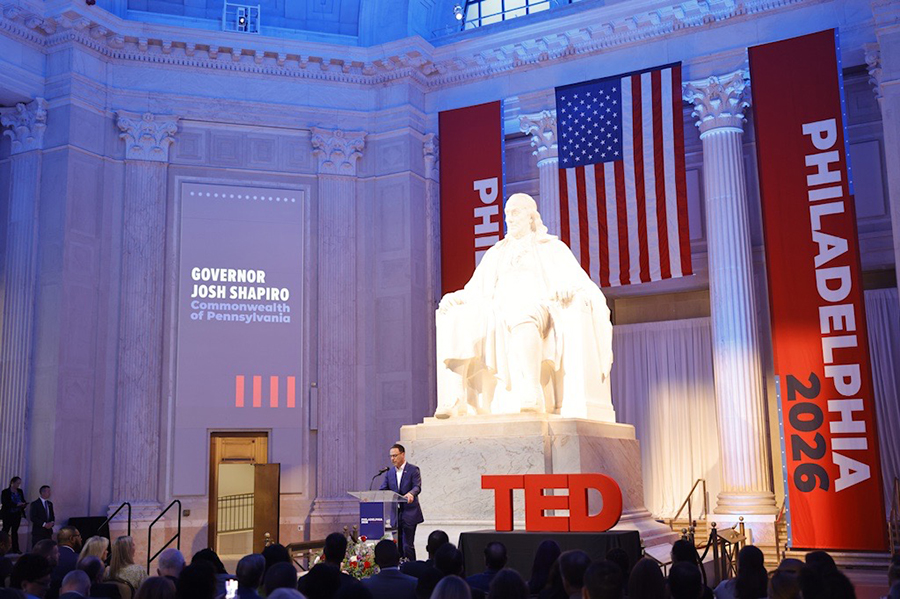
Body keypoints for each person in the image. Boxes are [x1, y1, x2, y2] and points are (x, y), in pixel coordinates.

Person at [435, 193, 614, 420]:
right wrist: (457, 297)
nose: (509, 218)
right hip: (496, 308)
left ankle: (531, 390)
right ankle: (456, 397)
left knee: (522, 315)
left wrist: (568, 288)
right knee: (458, 316)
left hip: (537, 305)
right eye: (507, 214)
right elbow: (476, 288)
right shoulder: (496, 252)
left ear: (531, 217)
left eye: (515, 213)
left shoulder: (552, 248)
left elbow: (580, 283)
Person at [378, 444, 423, 561]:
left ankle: (411, 567)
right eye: (391, 456)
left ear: (403, 454)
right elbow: (383, 489)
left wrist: (411, 494)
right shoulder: (389, 473)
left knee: (407, 545)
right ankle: (399, 567)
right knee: (397, 546)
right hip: (395, 514)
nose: (392, 459)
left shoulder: (413, 470)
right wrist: (374, 496)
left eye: (395, 455)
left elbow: (417, 487)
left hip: (409, 513)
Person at [1, 477, 27, 554]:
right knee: (5, 530)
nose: (18, 485)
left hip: (17, 514)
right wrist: (16, 504)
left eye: (19, 483)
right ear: (12, 482)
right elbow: (5, 502)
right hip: (8, 514)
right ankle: (3, 547)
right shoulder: (5, 492)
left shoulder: (19, 491)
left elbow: (22, 499)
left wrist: (23, 504)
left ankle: (16, 548)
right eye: (17, 483)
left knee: (15, 532)